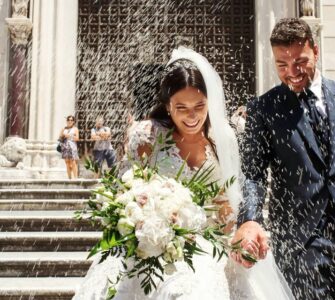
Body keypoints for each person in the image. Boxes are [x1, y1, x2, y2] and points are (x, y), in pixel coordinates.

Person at [73, 47, 293, 300]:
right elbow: (126, 194)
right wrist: (148, 221)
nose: (192, 116)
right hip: (152, 245)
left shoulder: (222, 138)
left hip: (206, 246)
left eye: (200, 106)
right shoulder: (146, 136)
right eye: (182, 107)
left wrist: (237, 240)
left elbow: (225, 207)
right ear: (167, 106)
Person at [232, 18, 335, 299]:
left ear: (316, 51)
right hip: (300, 242)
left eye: (300, 62)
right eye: (281, 65)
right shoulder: (264, 109)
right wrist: (250, 219)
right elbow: (253, 174)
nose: (292, 73)